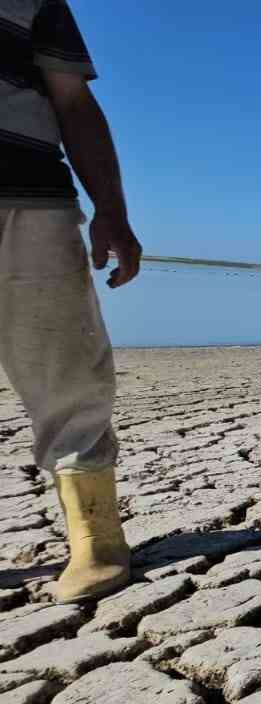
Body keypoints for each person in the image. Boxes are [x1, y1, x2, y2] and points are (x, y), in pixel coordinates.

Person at [2, 0, 141, 601]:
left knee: (66, 368)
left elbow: (74, 102)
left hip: (27, 194)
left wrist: (111, 207)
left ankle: (94, 533)